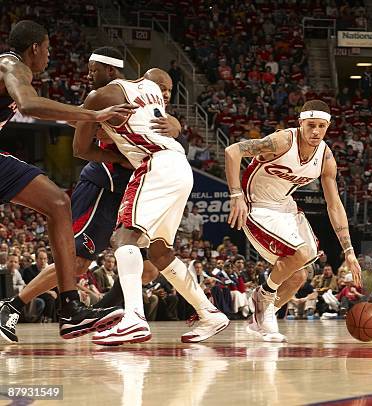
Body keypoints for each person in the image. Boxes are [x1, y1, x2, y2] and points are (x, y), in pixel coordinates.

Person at [0, 48, 185, 343]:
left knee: (149, 267)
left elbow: (168, 135)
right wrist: (117, 156)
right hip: (103, 184)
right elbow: (80, 136)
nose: (163, 93)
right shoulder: (106, 100)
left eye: (168, 90)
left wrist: (177, 125)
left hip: (134, 187)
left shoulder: (148, 107)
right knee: (77, 262)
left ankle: (106, 313)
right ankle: (14, 305)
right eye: (160, 87)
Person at [0, 21, 136, 343]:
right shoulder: (12, 65)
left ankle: (70, 309)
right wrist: (93, 116)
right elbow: (31, 105)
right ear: (35, 48)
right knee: (64, 216)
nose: (49, 56)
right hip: (100, 185)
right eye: (47, 50)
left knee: (59, 203)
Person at [73, 68, 228, 345]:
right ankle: (209, 313)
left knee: (123, 237)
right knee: (160, 250)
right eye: (164, 88)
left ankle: (133, 318)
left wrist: (112, 150)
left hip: (155, 164)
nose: (166, 93)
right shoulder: (153, 95)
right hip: (181, 168)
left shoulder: (103, 95)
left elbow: (80, 148)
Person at [225, 99, 362, 342]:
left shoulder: (326, 157)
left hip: (285, 207)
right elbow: (233, 151)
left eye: (321, 126)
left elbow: (334, 205)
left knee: (300, 275)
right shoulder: (281, 141)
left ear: (328, 127)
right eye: (310, 125)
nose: (316, 131)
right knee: (298, 254)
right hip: (255, 204)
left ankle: (262, 317)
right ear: (300, 123)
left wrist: (348, 250)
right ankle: (263, 296)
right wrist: (236, 195)